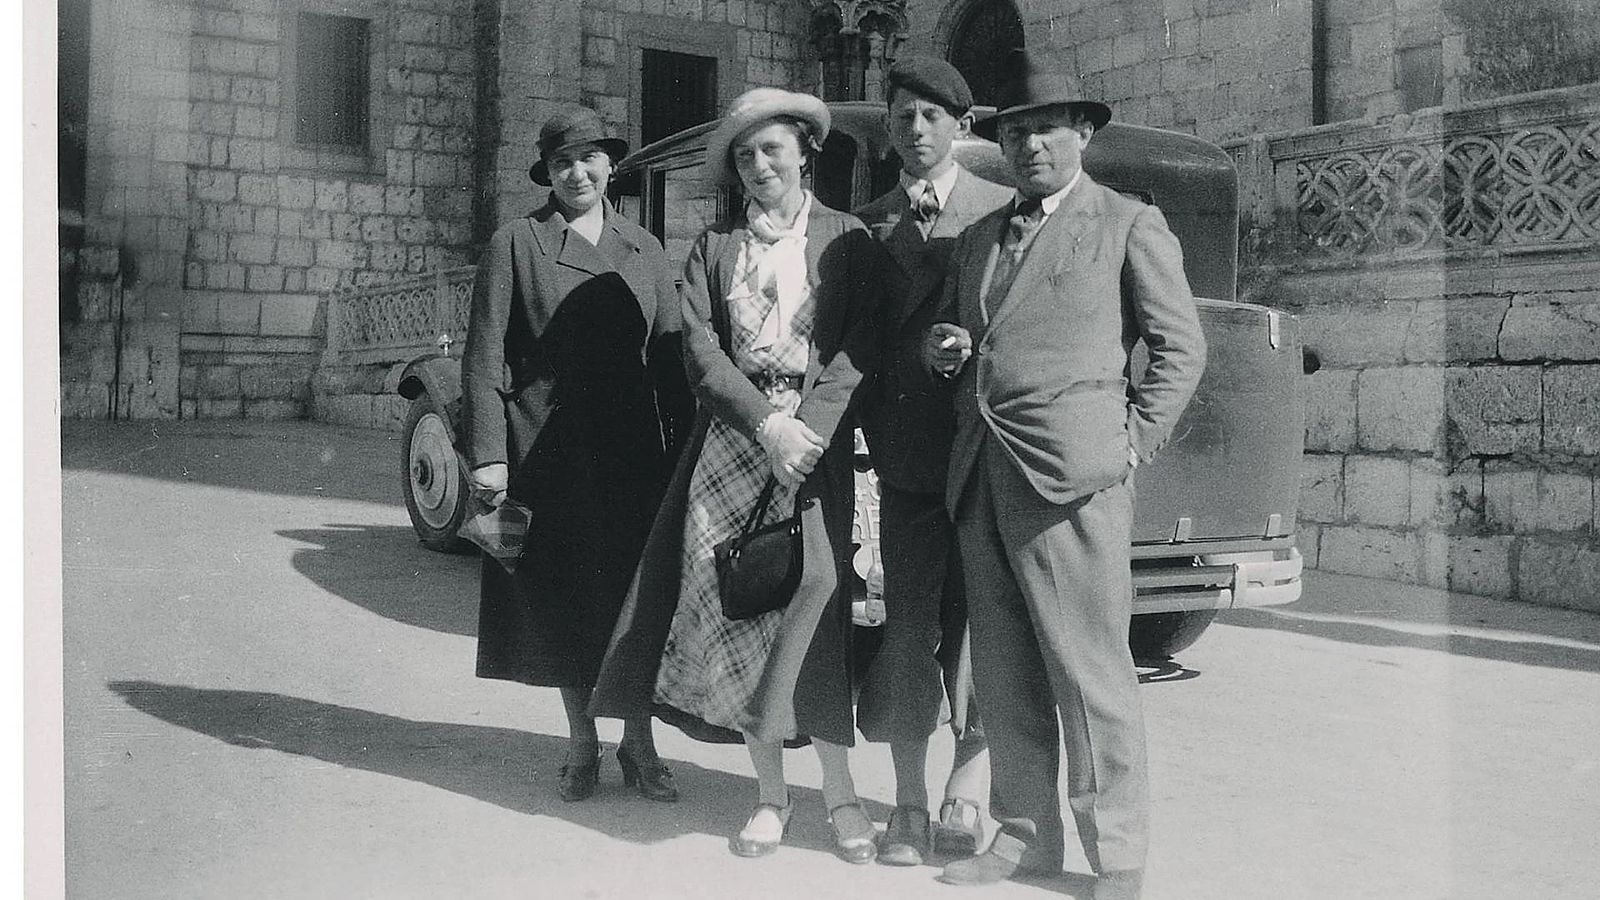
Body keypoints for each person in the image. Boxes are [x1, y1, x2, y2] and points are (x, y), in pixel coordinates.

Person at [922, 52, 1207, 900]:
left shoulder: (1126, 221)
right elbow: (972, 338)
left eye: (1047, 127)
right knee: (1004, 676)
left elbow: (1181, 348)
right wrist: (942, 352)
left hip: (1075, 481)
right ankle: (1023, 840)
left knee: (1090, 676)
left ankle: (1118, 856)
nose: (1031, 143)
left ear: (1082, 133)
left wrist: (1129, 445)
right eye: (1015, 130)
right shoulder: (976, 238)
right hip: (983, 476)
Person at [590, 88, 885, 864]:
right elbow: (700, 352)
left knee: (815, 600)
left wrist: (807, 431)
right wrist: (767, 424)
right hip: (734, 443)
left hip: (815, 454)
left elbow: (860, 347)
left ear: (803, 151)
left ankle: (843, 796)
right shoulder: (714, 246)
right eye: (746, 155)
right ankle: (769, 797)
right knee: (743, 607)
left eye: (773, 149)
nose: (760, 166)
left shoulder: (847, 240)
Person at [459, 106, 692, 805]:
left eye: (590, 158)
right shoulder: (517, 243)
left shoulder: (645, 246)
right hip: (547, 451)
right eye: (563, 162)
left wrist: (685, 454)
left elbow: (671, 358)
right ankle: (582, 741)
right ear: (548, 172)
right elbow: (483, 357)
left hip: (631, 455)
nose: (578, 172)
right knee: (563, 599)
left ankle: (640, 741)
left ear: (610, 165)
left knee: (637, 601)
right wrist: (489, 457)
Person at [851, 56, 1012, 868]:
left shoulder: (1002, 211)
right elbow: (855, 343)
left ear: (963, 126)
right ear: (888, 130)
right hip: (908, 459)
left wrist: (969, 346)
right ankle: (908, 801)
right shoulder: (868, 222)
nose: (917, 131)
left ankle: (969, 784)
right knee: (908, 628)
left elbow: (1023, 325)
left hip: (984, 454)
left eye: (933, 118)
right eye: (904, 118)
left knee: (982, 624)